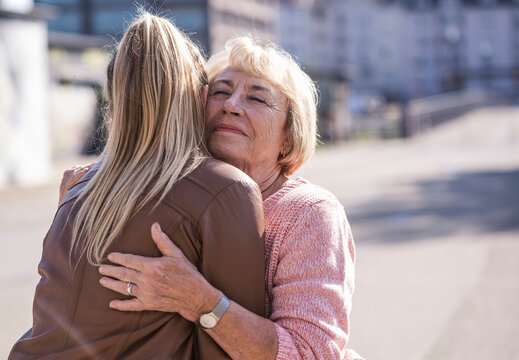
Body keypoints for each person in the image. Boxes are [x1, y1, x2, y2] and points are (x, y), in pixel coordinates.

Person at [9, 14, 266, 359]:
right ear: (201, 98)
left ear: (113, 104)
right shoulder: (226, 190)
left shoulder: (77, 188)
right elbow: (237, 350)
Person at [90, 37, 363, 359]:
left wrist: (201, 302)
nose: (231, 105)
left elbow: (308, 353)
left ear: (290, 136)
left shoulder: (308, 213)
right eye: (220, 92)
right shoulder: (166, 191)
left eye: (257, 99)